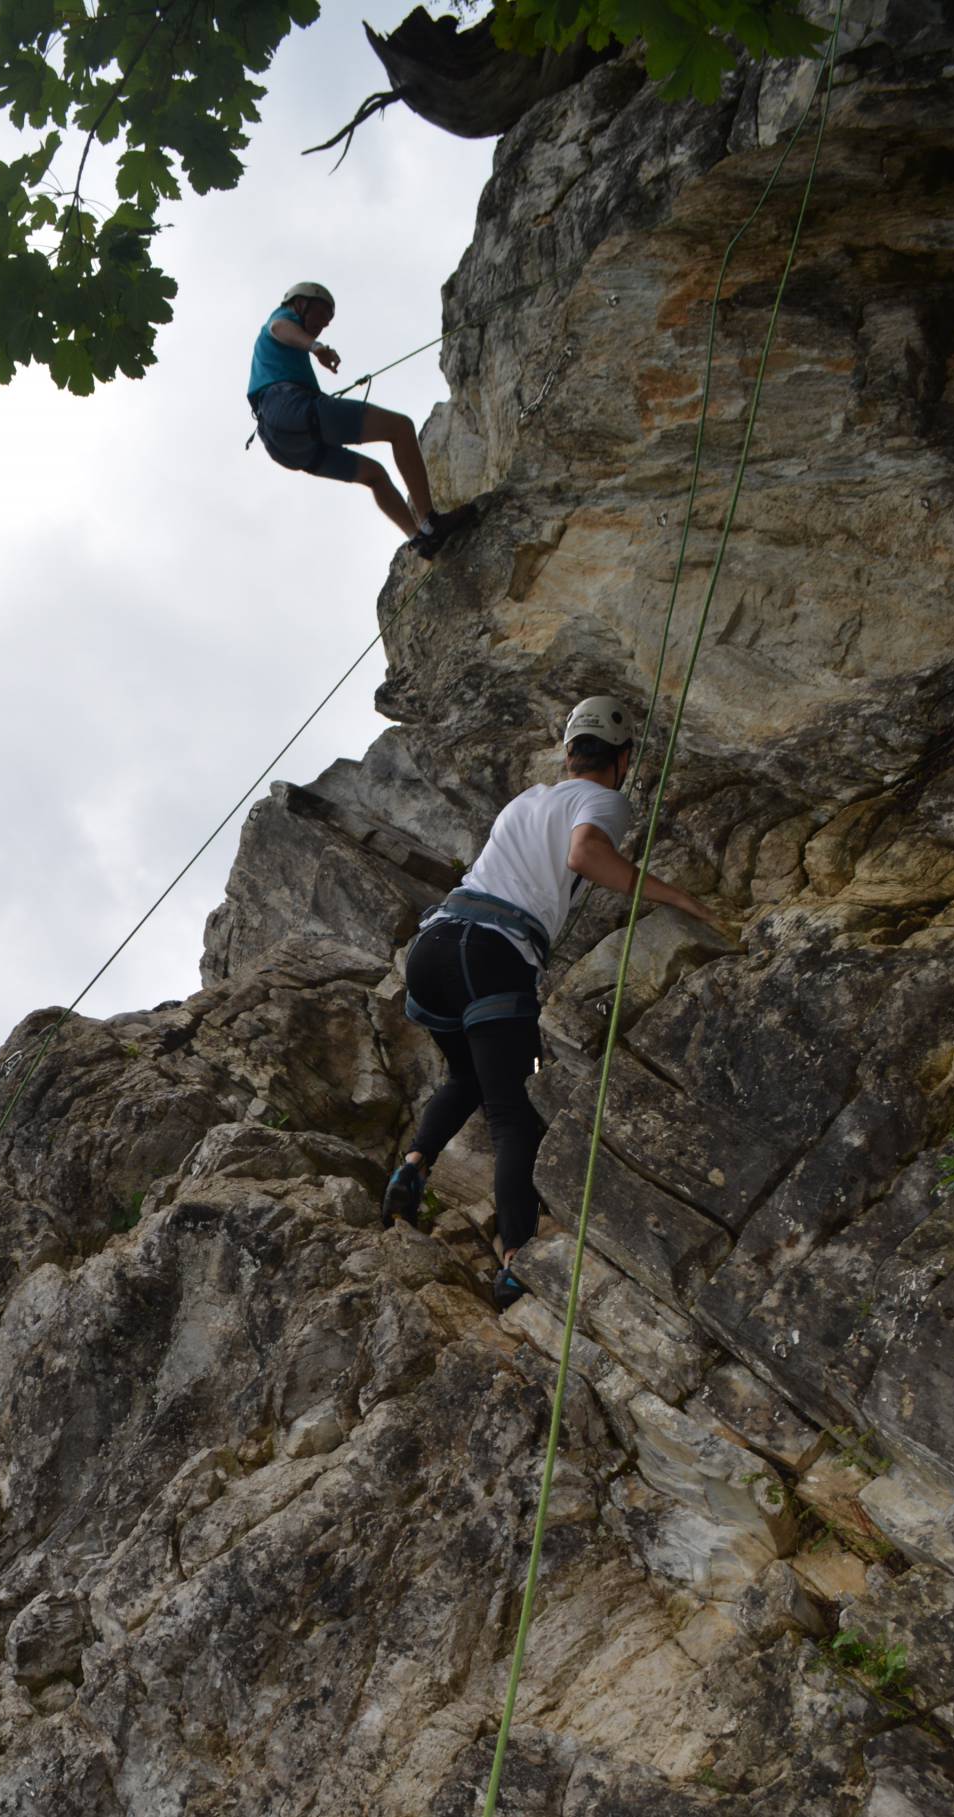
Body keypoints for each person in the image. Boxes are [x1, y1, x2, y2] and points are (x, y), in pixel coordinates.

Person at [383, 696, 723, 1308]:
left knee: (468, 1076)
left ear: (569, 752)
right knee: (512, 1115)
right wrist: (680, 900)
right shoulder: (602, 799)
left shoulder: (527, 800)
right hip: (492, 953)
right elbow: (585, 855)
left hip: (434, 946)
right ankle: (516, 1256)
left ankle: (414, 1163)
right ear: (620, 760)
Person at [247, 280, 476, 557]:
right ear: (300, 303)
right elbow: (279, 328)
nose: (324, 323)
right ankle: (430, 520)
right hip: (290, 408)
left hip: (285, 444)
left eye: (328, 320)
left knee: (375, 475)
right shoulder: (281, 319)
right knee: (401, 428)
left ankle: (420, 540)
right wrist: (315, 346)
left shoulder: (280, 358)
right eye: (321, 314)